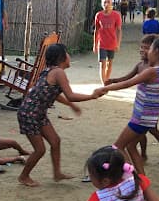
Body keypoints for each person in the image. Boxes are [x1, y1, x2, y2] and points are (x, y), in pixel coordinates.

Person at [17, 43, 100, 187]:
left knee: (55, 141)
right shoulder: (59, 73)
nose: (69, 56)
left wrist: (70, 105)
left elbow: (53, 94)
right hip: (29, 114)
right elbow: (71, 95)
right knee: (40, 150)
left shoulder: (50, 71)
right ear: (62, 57)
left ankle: (57, 173)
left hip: (36, 113)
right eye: (67, 53)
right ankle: (23, 176)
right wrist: (92, 96)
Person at [95, 36, 159, 173]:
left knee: (118, 147)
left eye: (149, 49)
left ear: (156, 51)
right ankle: (141, 178)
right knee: (131, 146)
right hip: (149, 118)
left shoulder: (151, 71)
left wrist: (104, 89)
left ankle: (134, 177)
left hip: (140, 118)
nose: (146, 51)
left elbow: (128, 83)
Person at [93, 0, 122, 83]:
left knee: (109, 64)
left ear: (111, 4)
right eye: (104, 2)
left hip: (112, 43)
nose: (106, 4)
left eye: (108, 2)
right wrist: (95, 44)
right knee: (102, 64)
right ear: (102, 4)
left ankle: (106, 80)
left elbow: (119, 30)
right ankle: (104, 83)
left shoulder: (116, 15)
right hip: (102, 44)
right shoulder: (98, 15)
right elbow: (96, 30)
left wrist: (118, 44)